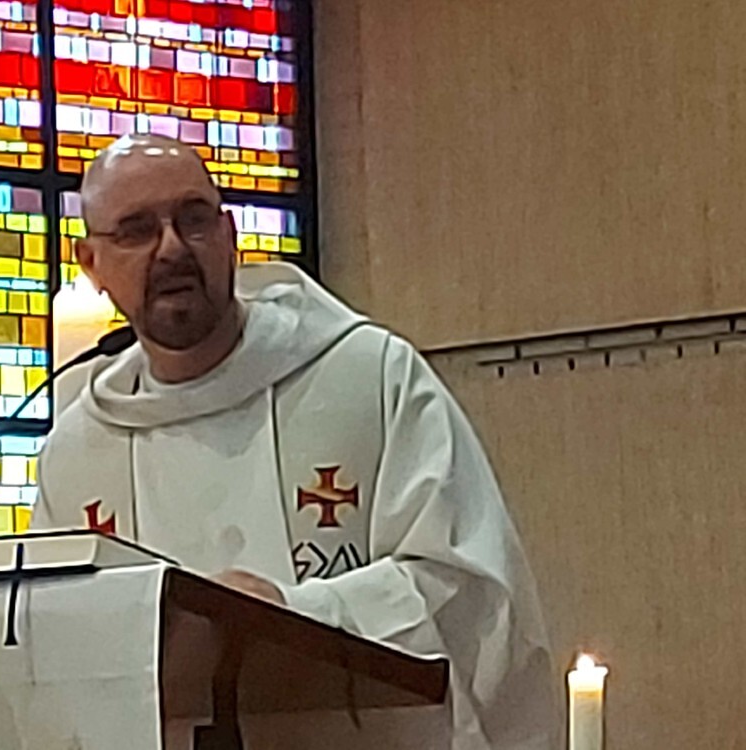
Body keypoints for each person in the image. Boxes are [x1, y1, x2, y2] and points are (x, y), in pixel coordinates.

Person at [31, 135, 557, 748]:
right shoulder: (79, 450)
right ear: (91, 263)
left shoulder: (368, 378)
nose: (171, 247)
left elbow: (470, 593)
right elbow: (50, 655)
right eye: (137, 230)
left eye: (193, 219)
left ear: (229, 235)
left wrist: (294, 614)